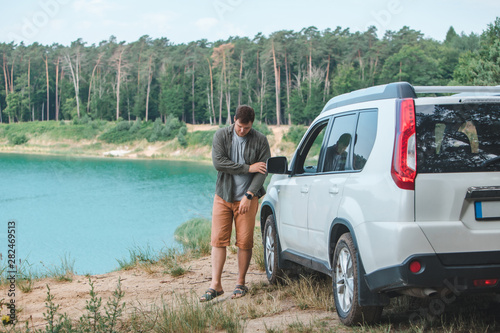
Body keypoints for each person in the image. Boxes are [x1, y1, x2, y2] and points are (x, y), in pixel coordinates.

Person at [200, 105, 271, 302]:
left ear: (252, 125)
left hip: (247, 198)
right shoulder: (221, 136)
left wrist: (250, 195)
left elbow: (263, 170)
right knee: (218, 240)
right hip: (223, 196)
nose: (242, 131)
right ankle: (216, 285)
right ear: (234, 120)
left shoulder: (260, 140)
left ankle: (240, 283)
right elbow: (219, 163)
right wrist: (248, 168)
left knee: (245, 241)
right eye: (240, 126)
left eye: (246, 128)